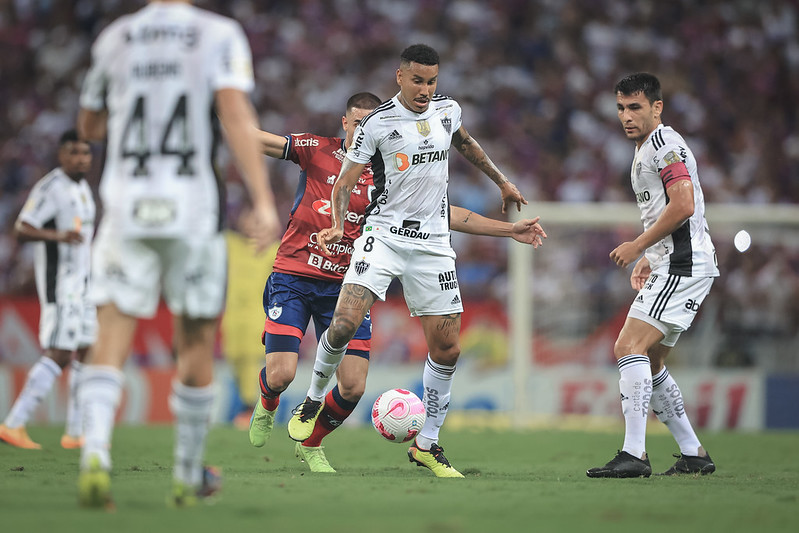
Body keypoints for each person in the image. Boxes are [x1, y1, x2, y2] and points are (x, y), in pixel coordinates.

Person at [247, 92, 546, 473]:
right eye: (357, 124)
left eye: (370, 125)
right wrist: (227, 121)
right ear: (345, 124)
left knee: (354, 386)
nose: (364, 131)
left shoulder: (391, 166)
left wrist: (508, 230)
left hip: (347, 280)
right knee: (281, 374)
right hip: (295, 273)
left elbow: (445, 214)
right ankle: (269, 400)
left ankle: (311, 442)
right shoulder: (318, 149)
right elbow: (265, 141)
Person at [75, 0, 279, 508]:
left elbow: (90, 129)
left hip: (126, 205)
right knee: (193, 341)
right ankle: (188, 474)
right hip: (192, 210)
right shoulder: (219, 34)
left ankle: (94, 452)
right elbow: (234, 112)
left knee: (112, 333)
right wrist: (262, 199)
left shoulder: (114, 38)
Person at [586, 73, 719, 478]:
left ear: (657, 108)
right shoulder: (648, 147)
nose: (626, 116)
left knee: (628, 346)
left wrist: (638, 246)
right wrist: (652, 255)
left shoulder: (664, 146)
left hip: (683, 264)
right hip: (675, 260)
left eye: (635, 107)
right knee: (653, 360)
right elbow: (670, 210)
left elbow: (683, 204)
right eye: (621, 108)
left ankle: (635, 454)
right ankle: (694, 453)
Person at [0, 130, 95, 451]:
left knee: (87, 351)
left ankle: (75, 432)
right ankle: (14, 423)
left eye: (85, 153)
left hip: (84, 284)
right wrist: (58, 237)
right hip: (61, 284)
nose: (81, 158)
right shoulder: (51, 188)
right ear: (61, 154)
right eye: (74, 153)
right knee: (59, 351)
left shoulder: (82, 187)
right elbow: (21, 228)